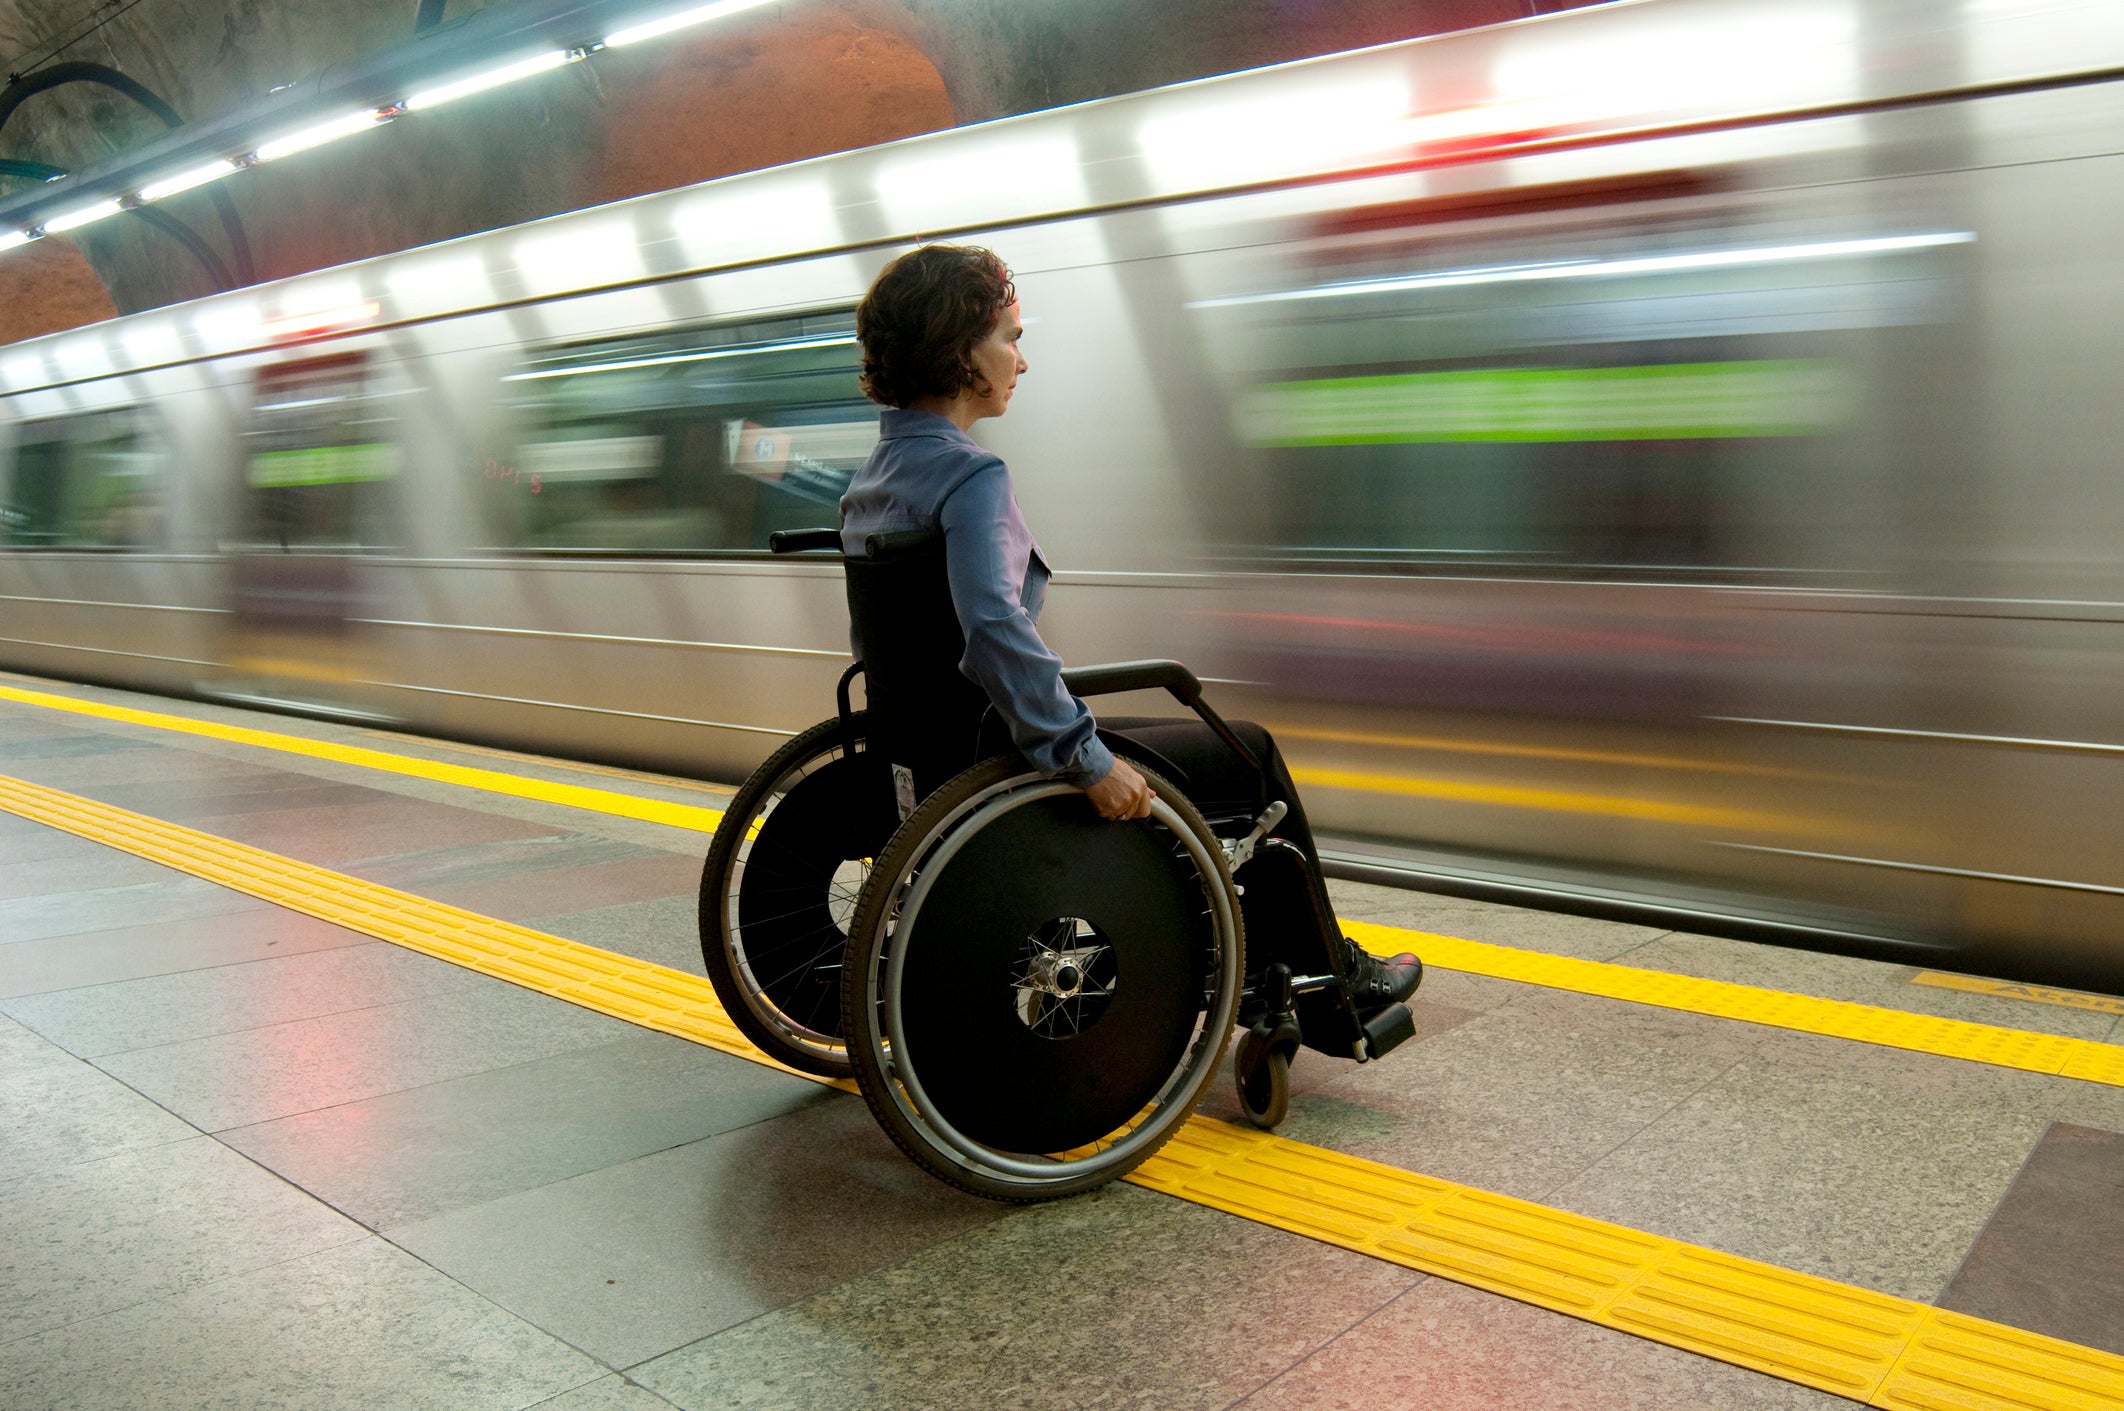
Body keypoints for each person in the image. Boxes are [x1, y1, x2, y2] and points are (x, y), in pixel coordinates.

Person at [838, 243, 1419, 1011]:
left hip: (927, 744)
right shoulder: (972, 476)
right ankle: (1329, 980)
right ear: (957, 351)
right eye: (1009, 337)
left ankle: (1279, 957)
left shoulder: (873, 478)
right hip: (1002, 743)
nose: (1022, 359)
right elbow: (991, 629)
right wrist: (1084, 756)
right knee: (1248, 753)